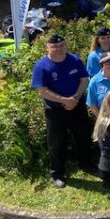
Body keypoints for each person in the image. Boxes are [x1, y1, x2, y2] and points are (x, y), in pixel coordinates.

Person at [31, 34, 95, 188]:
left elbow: (84, 79)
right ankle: (57, 173)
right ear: (47, 47)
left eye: (62, 45)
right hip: (55, 110)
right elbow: (42, 90)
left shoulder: (75, 59)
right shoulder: (41, 66)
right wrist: (64, 101)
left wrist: (75, 98)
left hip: (77, 105)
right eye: (55, 46)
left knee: (82, 136)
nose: (59, 49)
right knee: (56, 142)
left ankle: (85, 164)